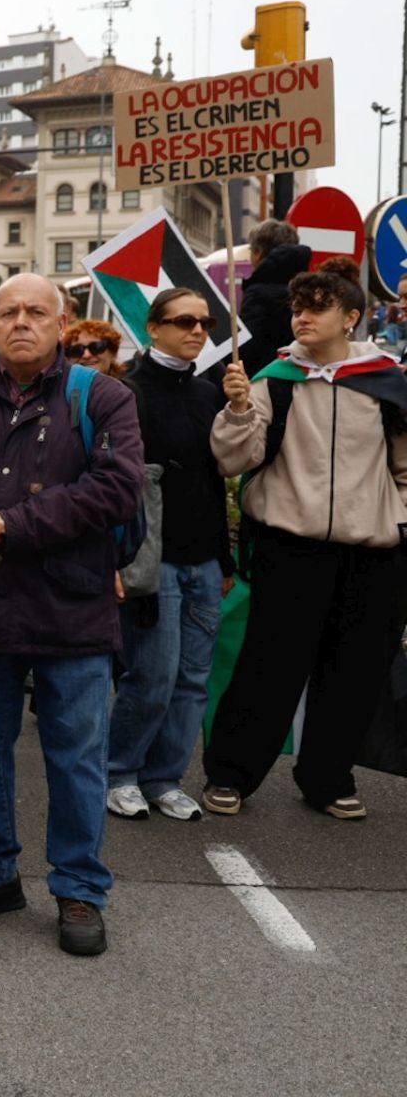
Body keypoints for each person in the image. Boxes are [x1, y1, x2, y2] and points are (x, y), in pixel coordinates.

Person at [0, 273, 143, 958]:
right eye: (8, 312)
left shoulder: (104, 396)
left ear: (63, 324)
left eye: (36, 312)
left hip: (71, 608)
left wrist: (15, 525)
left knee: (77, 758)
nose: (21, 322)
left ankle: (80, 889)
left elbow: (115, 489)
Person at [202, 257, 407, 821]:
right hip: (290, 549)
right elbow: (233, 459)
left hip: (370, 552)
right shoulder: (273, 380)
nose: (301, 318)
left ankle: (327, 778)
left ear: (351, 318)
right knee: (269, 665)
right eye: (296, 308)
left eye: (317, 308)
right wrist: (239, 408)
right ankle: (230, 775)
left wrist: (398, 520)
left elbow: (404, 467)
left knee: (353, 673)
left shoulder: (387, 383)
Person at [104, 290, 232, 823]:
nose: (198, 331)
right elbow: (115, 486)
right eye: (185, 321)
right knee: (151, 676)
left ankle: (164, 777)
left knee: (191, 682)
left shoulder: (209, 395)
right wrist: (116, 559)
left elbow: (217, 480)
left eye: (206, 322)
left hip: (204, 559)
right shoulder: (127, 392)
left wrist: (224, 561)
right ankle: (120, 772)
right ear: (152, 328)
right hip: (152, 561)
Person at [230, 219, 312, 379]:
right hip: (302, 376)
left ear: (258, 253)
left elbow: (247, 347)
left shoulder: (259, 291)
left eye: (251, 251)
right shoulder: (308, 287)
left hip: (264, 379)